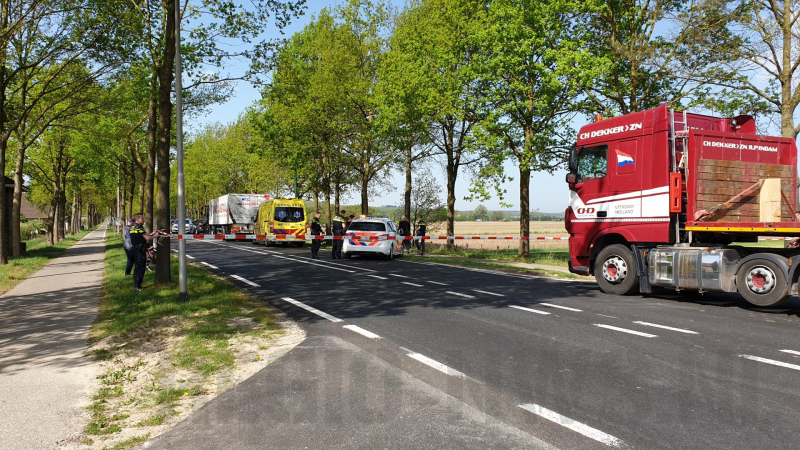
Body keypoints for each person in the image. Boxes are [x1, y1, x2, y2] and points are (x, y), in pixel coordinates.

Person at [130, 213, 155, 291]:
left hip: (136, 250)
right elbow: (147, 238)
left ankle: (137, 285)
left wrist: (152, 234)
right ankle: (138, 286)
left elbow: (140, 238)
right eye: (142, 219)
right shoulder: (139, 228)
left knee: (138, 267)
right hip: (139, 251)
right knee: (140, 268)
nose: (144, 220)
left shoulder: (133, 227)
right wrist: (155, 236)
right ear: (137, 219)